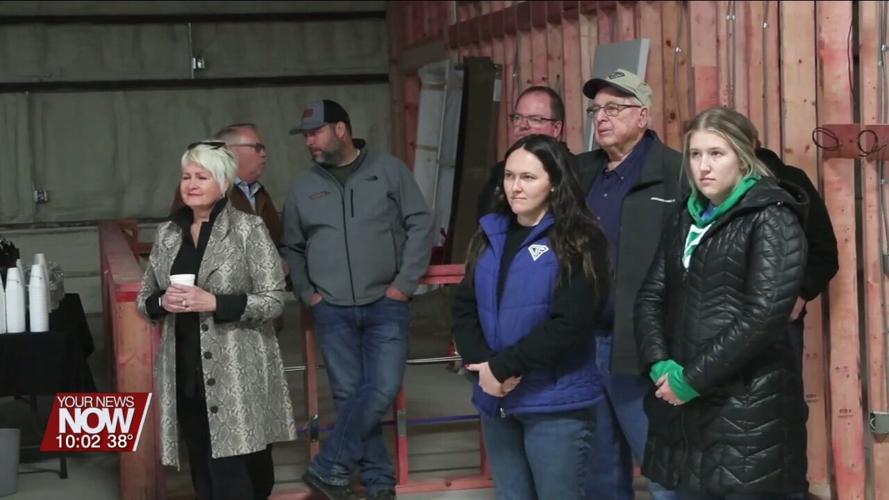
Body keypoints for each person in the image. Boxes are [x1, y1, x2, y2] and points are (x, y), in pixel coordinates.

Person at [634, 107, 808, 499]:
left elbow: (763, 315)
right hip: (685, 405)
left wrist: (691, 377)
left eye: (717, 154)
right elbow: (650, 295)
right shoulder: (686, 217)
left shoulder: (772, 217)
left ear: (744, 157)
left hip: (747, 409)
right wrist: (660, 363)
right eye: (695, 154)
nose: (703, 166)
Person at [281, 100, 433, 500]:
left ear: (341, 130)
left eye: (316, 132)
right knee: (350, 398)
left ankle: (329, 466)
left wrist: (405, 283)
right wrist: (307, 294)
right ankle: (379, 484)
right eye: (306, 136)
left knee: (381, 388)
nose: (310, 142)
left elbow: (421, 222)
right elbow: (292, 248)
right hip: (331, 308)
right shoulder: (303, 188)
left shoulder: (388, 171)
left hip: (386, 302)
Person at [453, 134, 611, 499]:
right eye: (509, 176)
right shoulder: (490, 231)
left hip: (554, 403)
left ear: (554, 182)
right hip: (498, 399)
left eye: (528, 178)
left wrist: (504, 367)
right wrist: (484, 366)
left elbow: (571, 321)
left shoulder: (580, 238)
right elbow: (464, 305)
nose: (515, 187)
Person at [138, 141, 296, 500]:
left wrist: (215, 302)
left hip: (239, 373)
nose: (191, 184)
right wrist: (162, 301)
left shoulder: (248, 230)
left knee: (241, 474)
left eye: (202, 177)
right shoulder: (167, 234)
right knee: (205, 472)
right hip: (185, 372)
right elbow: (144, 299)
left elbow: (274, 300)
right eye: (186, 176)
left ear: (224, 184)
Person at [576, 68, 681, 499]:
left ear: (643, 116)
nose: (602, 117)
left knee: (662, 467)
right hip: (583, 343)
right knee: (599, 471)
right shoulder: (580, 172)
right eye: (596, 109)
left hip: (644, 349)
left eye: (614, 108)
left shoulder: (675, 172)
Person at [754, 145, 838, 372]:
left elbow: (824, 250)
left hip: (779, 320)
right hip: (718, 322)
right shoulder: (707, 190)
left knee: (784, 403)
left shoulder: (789, 181)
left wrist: (800, 294)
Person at [171, 123, 282, 247]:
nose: (263, 154)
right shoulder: (196, 190)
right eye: (257, 147)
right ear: (229, 150)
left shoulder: (259, 191)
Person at [477, 86, 568, 219]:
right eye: (518, 117)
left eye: (535, 119)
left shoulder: (573, 172)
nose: (523, 125)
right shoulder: (499, 171)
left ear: (556, 129)